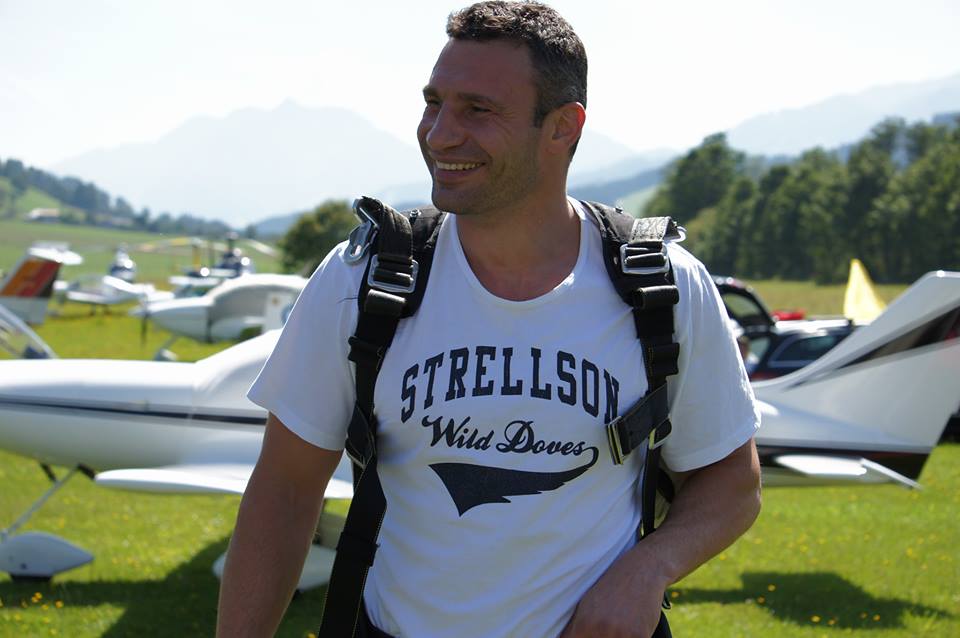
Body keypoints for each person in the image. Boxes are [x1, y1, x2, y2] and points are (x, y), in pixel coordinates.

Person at [216, 2, 762, 636]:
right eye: (433, 103)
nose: (439, 134)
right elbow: (284, 491)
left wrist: (650, 566)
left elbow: (731, 481)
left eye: (477, 110)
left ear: (562, 127)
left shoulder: (660, 286)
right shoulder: (361, 279)